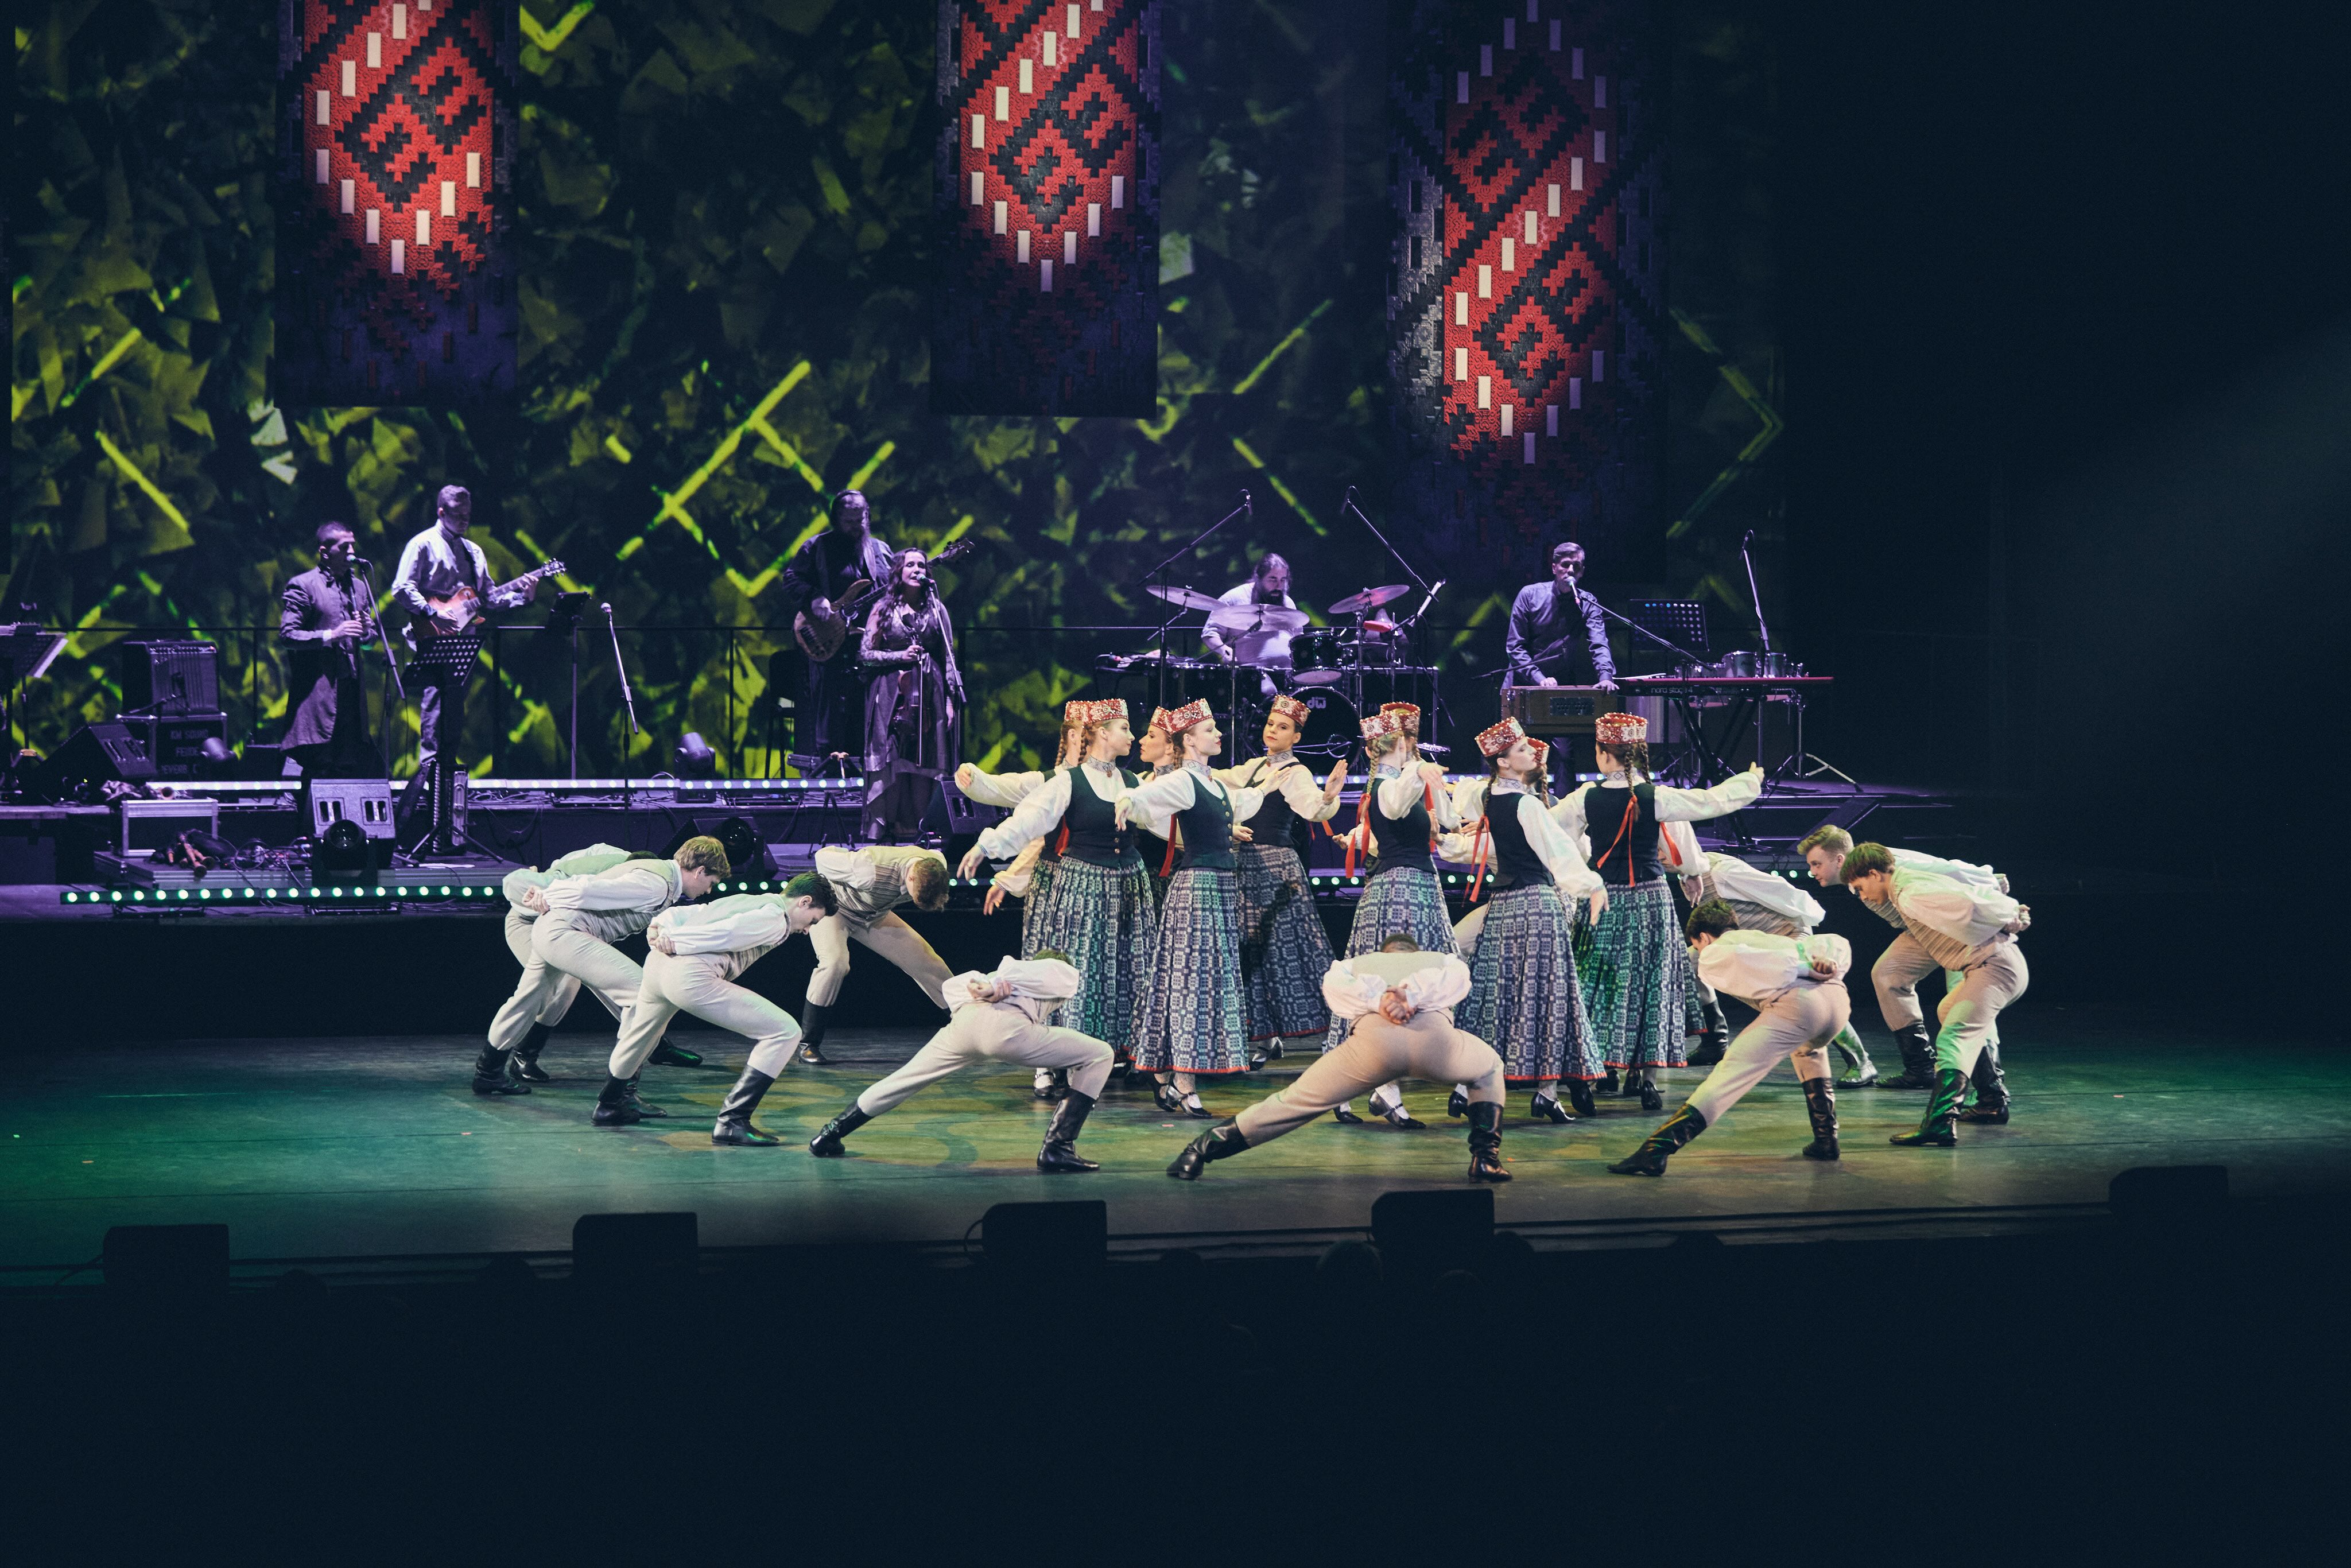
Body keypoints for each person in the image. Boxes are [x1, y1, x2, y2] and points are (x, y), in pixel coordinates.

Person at [1167, 936, 1512, 1184]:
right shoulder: (1442, 959)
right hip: (1437, 1046)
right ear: (1414, 951)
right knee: (1489, 1068)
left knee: (1294, 1102)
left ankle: (1198, 1151)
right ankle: (1485, 1159)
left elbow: (1336, 991)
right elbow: (1457, 982)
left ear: (1384, 952)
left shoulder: (1351, 965)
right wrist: (1410, 996)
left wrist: (1380, 1001)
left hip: (1371, 1050)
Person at [1554, 713, 1763, 1111]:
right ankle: (1648, 1080)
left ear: (1603, 754)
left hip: (1604, 900)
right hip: (1651, 899)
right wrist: (1750, 781)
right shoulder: (1656, 796)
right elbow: (1710, 802)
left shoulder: (1584, 798)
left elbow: (1549, 835)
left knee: (1598, 984)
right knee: (1652, 985)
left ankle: (1597, 1070)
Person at [957, 700, 1157, 1086]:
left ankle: (1116, 1051)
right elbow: (1028, 819)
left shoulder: (1133, 782)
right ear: (1102, 734)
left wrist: (1222, 828)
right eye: (1125, 728)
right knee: (1080, 970)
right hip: (1083, 886)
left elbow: (1166, 817)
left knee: (1123, 970)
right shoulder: (1067, 781)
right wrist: (986, 847)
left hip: (1129, 889)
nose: (1132, 736)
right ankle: (1066, 1055)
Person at [476, 836, 731, 1102]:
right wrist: (546, 894)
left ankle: (488, 1072)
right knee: (643, 997)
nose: (709, 890)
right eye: (712, 883)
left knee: (529, 996)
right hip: (561, 931)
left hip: (553, 928)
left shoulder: (659, 876)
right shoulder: (656, 883)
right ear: (700, 871)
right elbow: (587, 890)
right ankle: (619, 1095)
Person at [1607, 901, 1854, 1175]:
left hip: (1800, 1007)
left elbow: (1741, 960)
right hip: (1837, 1003)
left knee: (1730, 1074)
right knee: (1808, 1050)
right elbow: (1833, 943)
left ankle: (1656, 1150)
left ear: (1704, 937)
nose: (1699, 952)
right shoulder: (1765, 939)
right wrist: (1823, 963)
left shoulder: (1717, 949)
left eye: (1697, 945)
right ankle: (1826, 1139)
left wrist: (1804, 970)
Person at [808, 953, 1114, 1172]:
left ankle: (830, 1134)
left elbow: (951, 988)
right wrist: (997, 985)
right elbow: (1024, 969)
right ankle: (1058, 1149)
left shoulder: (988, 977)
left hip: (964, 1026)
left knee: (903, 1080)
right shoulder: (1059, 971)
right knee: (1100, 1054)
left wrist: (989, 986)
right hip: (1007, 1030)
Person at [602, 875, 840, 1142]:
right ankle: (733, 1121)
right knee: (785, 1032)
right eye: (813, 921)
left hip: (656, 966)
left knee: (640, 1034)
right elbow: (727, 934)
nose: (807, 930)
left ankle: (610, 1104)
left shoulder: (747, 900)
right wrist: (676, 941)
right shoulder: (776, 919)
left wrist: (660, 928)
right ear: (804, 902)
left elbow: (687, 912)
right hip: (688, 975)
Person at [1454, 718, 1608, 1121]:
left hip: (1503, 906)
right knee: (1548, 995)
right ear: (1504, 762)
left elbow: (1463, 795)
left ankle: (1468, 1085)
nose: (1532, 754)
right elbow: (1559, 853)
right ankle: (1546, 1091)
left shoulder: (1488, 797)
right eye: (1522, 749)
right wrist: (1592, 885)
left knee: (1496, 994)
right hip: (1537, 905)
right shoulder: (1527, 805)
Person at [1122, 700, 1270, 1116]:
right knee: (1192, 983)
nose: (1219, 734)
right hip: (1197, 890)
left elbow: (1242, 802)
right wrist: (1126, 802)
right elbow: (1144, 797)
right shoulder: (1184, 780)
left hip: (1219, 888)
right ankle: (1183, 1082)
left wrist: (1271, 784)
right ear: (1188, 740)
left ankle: (1168, 1074)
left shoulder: (1214, 784)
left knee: (1205, 984)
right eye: (1209, 730)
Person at [1798, 825, 2014, 1111]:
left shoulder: (1890, 863)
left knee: (1966, 1003)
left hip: (1956, 931)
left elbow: (1945, 868)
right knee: (1888, 975)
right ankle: (1920, 1067)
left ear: (1839, 860)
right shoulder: (1858, 877)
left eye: (1816, 864)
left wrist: (1987, 879)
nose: (1812, 871)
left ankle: (1991, 1086)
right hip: (1920, 930)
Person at [1837, 844, 2031, 1148]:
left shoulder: (1910, 893)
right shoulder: (1905, 885)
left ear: (1874, 874)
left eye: (1860, 888)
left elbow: (1967, 904)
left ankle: (1940, 1123)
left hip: (1994, 967)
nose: (1862, 897)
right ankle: (1991, 1101)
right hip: (1993, 965)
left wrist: (2010, 915)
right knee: (1948, 1011)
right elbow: (1959, 885)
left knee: (1955, 1036)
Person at [1323, 708, 1461, 1127]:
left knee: (1421, 982)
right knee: (1391, 984)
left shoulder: (1408, 782)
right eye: (1409, 740)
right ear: (1400, 744)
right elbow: (1396, 806)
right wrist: (1419, 772)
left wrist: (1435, 788)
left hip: (1421, 887)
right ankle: (1381, 1088)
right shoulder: (1386, 786)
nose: (1413, 746)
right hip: (1398, 890)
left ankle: (1373, 1086)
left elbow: (1451, 822)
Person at [1665, 825, 1880, 1085]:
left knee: (1807, 994)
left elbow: (1781, 891)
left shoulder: (1722, 872)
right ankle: (1714, 1042)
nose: (1659, 858)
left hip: (1786, 933)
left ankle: (1861, 1062)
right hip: (1748, 941)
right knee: (1686, 962)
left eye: (1663, 851)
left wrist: (1812, 921)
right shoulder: (1688, 875)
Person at [391, 484, 540, 816]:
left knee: (454, 717)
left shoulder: (474, 551)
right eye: (458, 515)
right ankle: (428, 801)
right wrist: (432, 613)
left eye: (468, 516)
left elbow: (489, 597)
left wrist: (522, 596)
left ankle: (446, 799)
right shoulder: (422, 544)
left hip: (464, 641)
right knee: (434, 715)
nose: (464, 521)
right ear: (441, 512)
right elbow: (401, 588)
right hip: (432, 638)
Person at [1216, 694, 1348, 1061]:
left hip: (1276, 868)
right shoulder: (1255, 766)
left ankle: (1338, 1028)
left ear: (1296, 738)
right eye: (1271, 723)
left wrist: (1328, 798)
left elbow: (1311, 806)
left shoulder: (1295, 771)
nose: (1273, 730)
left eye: (1283, 727)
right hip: (1246, 865)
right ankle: (1267, 1035)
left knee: (1296, 948)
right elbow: (1220, 780)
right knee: (1253, 952)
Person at [489, 843, 635, 1088]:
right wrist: (540, 893)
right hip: (527, 924)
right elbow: (516, 883)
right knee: (556, 986)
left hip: (561, 929)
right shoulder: (602, 866)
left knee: (572, 982)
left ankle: (517, 1059)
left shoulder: (626, 877)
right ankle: (501, 1065)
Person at [795, 843, 957, 1064]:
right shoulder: (868, 869)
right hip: (835, 909)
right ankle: (808, 1044)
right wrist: (842, 857)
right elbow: (822, 857)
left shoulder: (937, 863)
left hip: (873, 916)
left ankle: (966, 1022)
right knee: (835, 964)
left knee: (928, 962)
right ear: (911, 878)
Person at [777, 490, 898, 767]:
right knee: (829, 710)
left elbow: (892, 591)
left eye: (861, 519)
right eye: (849, 521)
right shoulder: (817, 547)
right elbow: (792, 579)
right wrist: (814, 597)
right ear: (836, 520)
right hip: (828, 640)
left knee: (869, 708)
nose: (857, 527)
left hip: (870, 642)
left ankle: (867, 770)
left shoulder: (880, 551)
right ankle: (828, 770)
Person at [859, 548, 963, 843]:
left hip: (930, 695)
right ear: (899, 572)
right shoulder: (883, 608)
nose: (917, 570)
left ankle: (922, 828)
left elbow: (948, 658)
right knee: (890, 758)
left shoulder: (937, 610)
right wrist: (899, 656)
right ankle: (884, 830)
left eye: (922, 565)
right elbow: (865, 654)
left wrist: (949, 701)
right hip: (891, 694)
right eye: (910, 565)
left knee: (926, 761)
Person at [278, 522, 379, 778]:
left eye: (353, 545)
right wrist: (332, 635)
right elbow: (288, 635)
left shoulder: (359, 587)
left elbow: (369, 641)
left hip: (351, 690)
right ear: (325, 552)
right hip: (319, 690)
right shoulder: (304, 585)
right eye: (344, 547)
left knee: (349, 764)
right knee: (319, 764)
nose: (352, 552)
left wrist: (366, 632)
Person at [1198, 553, 1301, 669]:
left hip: (1288, 672)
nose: (1278, 586)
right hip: (1248, 673)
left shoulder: (1288, 603)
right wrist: (1224, 651)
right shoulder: (1234, 598)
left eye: (1283, 580)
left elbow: (1298, 638)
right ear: (1259, 578)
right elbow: (1210, 634)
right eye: (1273, 579)